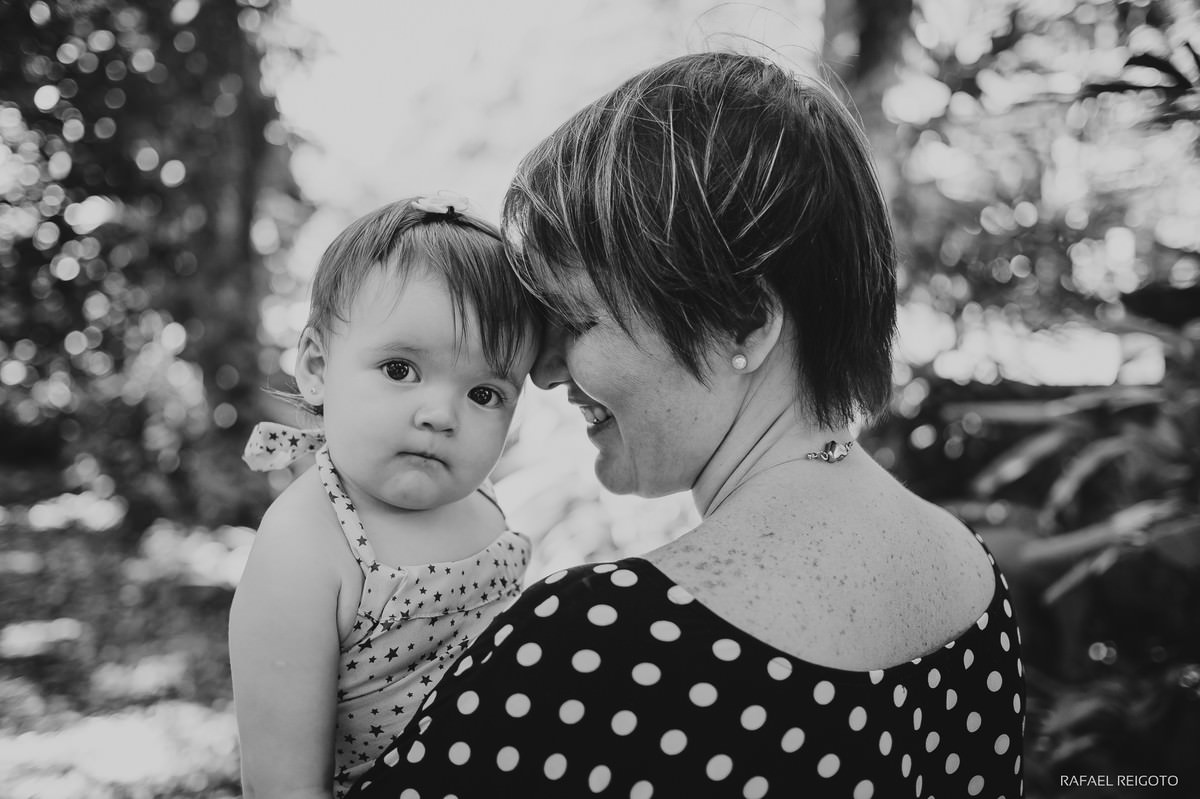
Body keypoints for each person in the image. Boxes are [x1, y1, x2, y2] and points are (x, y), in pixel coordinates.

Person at [349, 53, 1025, 798]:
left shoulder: (594, 644)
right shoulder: (972, 582)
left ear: (742, 321)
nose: (541, 371)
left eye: (575, 318)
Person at [228, 194, 540, 799]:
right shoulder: (308, 545)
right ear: (317, 367)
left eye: (484, 393)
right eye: (400, 369)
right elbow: (283, 785)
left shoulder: (482, 496)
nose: (440, 415)